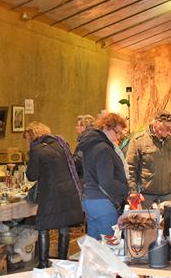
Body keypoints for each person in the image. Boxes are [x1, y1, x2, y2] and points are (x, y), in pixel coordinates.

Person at [24, 122, 83, 268]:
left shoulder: (37, 149)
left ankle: (43, 264)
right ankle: (62, 261)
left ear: (32, 136)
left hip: (50, 192)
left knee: (44, 227)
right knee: (63, 226)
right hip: (68, 190)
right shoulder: (61, 143)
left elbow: (32, 175)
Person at [76, 113, 129, 239]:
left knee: (95, 244)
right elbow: (107, 182)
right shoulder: (103, 148)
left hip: (90, 199)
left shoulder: (91, 145)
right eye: (117, 132)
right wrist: (126, 188)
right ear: (106, 127)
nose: (118, 137)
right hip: (103, 203)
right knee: (107, 245)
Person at [126, 111, 171, 209]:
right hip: (146, 196)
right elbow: (130, 168)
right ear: (156, 123)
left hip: (167, 196)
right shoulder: (138, 141)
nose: (169, 129)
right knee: (145, 219)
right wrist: (133, 191)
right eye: (165, 126)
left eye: (170, 126)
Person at [72, 114, 95, 178]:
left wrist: (70, 163)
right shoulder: (92, 139)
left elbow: (79, 160)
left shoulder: (86, 141)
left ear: (85, 127)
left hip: (84, 177)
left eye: (79, 125)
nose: (76, 128)